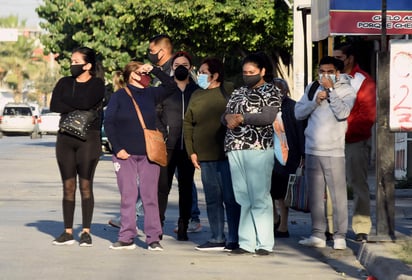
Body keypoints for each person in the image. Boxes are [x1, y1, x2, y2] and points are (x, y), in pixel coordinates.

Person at [104, 61, 177, 251]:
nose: (145, 75)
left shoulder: (151, 93)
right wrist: (117, 148)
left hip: (149, 154)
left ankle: (153, 238)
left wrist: (154, 69)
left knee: (149, 196)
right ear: (131, 76)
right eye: (140, 72)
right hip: (124, 155)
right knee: (128, 196)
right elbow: (109, 123)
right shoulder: (119, 96)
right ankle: (126, 236)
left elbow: (171, 86)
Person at [223, 52, 282, 255]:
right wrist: (228, 118)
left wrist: (241, 118)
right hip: (235, 147)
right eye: (245, 72)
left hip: (258, 148)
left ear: (262, 71)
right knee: (242, 196)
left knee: (260, 196)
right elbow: (226, 114)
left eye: (251, 72)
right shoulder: (238, 91)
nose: (247, 75)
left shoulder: (272, 91)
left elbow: (267, 116)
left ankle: (264, 243)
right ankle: (246, 242)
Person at [295, 56, 356, 250]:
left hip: (334, 150)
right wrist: (315, 101)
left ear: (338, 73)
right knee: (314, 195)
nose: (325, 75)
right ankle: (318, 234)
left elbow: (343, 112)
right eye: (321, 71)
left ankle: (339, 235)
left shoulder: (347, 89)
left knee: (337, 195)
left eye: (329, 71)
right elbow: (298, 112)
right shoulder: (312, 87)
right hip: (312, 148)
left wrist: (330, 92)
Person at [50, 47, 105, 246]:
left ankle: (86, 231)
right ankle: (67, 231)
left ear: (88, 65)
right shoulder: (64, 82)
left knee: (85, 185)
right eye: (71, 61)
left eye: (76, 62)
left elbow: (87, 101)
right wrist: (78, 105)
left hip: (88, 139)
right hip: (65, 138)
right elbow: (54, 105)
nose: (72, 65)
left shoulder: (98, 84)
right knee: (68, 185)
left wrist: (71, 103)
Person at [184, 57, 240, 251]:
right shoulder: (196, 95)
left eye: (203, 72)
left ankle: (234, 237)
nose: (199, 76)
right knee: (212, 198)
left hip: (227, 154)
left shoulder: (230, 90)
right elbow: (188, 123)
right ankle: (217, 237)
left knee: (231, 198)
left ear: (215, 75)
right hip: (205, 156)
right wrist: (191, 152)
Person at [333, 43, 376, 242]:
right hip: (331, 140)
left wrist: (344, 128)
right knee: (331, 185)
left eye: (340, 58)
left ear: (349, 59)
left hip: (354, 141)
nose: (336, 61)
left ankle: (361, 227)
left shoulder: (362, 81)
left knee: (357, 183)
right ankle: (332, 227)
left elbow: (367, 114)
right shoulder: (329, 78)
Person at [156, 51, 197, 241]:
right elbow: (155, 114)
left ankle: (183, 225)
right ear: (171, 68)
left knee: (186, 187)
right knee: (162, 187)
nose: (181, 68)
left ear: (190, 68)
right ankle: (158, 224)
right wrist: (162, 133)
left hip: (188, 147)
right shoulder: (165, 90)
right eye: (177, 64)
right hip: (167, 146)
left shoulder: (196, 91)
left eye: (185, 65)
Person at [270, 78, 306, 238]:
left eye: (280, 90)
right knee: (269, 191)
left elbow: (300, 133)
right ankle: (274, 217)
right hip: (268, 155)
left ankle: (283, 225)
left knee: (284, 193)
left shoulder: (293, 107)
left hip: (288, 156)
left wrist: (303, 155)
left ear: (286, 92)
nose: (277, 94)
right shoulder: (266, 107)